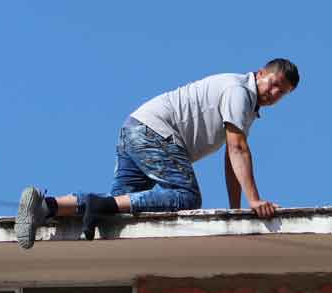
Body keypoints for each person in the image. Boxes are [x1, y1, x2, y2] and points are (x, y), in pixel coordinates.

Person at [16, 58, 299, 249]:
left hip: (135, 129)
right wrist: (255, 201)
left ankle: (45, 205)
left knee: (115, 211)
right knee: (185, 196)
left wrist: (236, 211)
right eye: (272, 83)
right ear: (260, 73)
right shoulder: (240, 92)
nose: (273, 93)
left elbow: (231, 157)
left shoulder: (243, 101)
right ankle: (92, 204)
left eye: (281, 92)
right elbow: (238, 149)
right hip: (154, 132)